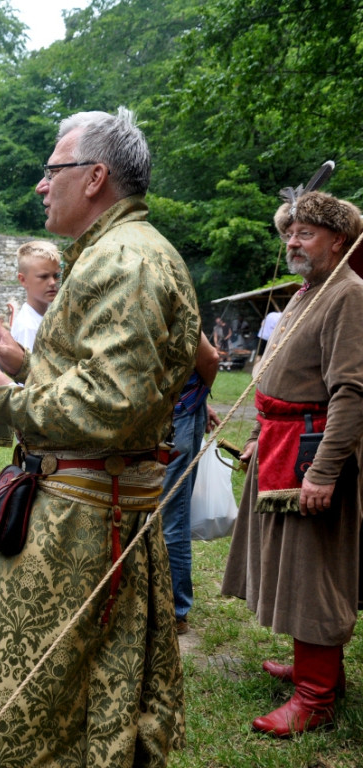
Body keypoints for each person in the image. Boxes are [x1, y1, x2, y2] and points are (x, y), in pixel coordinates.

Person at [0, 107, 197, 767]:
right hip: (95, 510)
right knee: (86, 695)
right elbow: (110, 380)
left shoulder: (123, 259)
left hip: (82, 523)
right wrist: (21, 362)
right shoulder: (120, 250)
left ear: (95, 176)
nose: (42, 185)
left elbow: (112, 403)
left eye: (53, 170)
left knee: (11, 701)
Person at [222, 191, 363, 737]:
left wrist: (323, 471)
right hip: (283, 444)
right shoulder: (309, 292)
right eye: (290, 231)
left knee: (315, 572)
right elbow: (284, 379)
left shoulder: (348, 295)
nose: (293, 241)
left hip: (314, 452)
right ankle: (314, 667)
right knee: (296, 566)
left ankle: (317, 695)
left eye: (306, 232)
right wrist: (262, 435)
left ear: (339, 240)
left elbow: (351, 391)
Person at [159, 332, 220, 635]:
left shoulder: (168, 294)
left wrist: (195, 397)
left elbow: (208, 358)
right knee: (163, 511)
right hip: (166, 413)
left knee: (171, 512)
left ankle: (175, 610)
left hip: (174, 415)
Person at [9, 240, 61, 351]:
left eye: (56, 275)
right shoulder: (28, 327)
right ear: (23, 280)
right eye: (44, 276)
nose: (52, 282)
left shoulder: (44, 318)